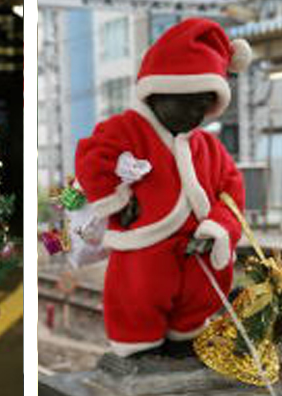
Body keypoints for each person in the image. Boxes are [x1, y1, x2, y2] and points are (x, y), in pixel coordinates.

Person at [74, 18, 248, 358]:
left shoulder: (209, 147)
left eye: (206, 105)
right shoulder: (124, 130)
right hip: (144, 246)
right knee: (136, 297)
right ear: (160, 92)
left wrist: (218, 226)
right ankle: (138, 348)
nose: (199, 113)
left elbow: (232, 191)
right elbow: (92, 158)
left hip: (197, 252)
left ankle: (186, 339)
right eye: (191, 102)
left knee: (196, 302)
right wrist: (115, 199)